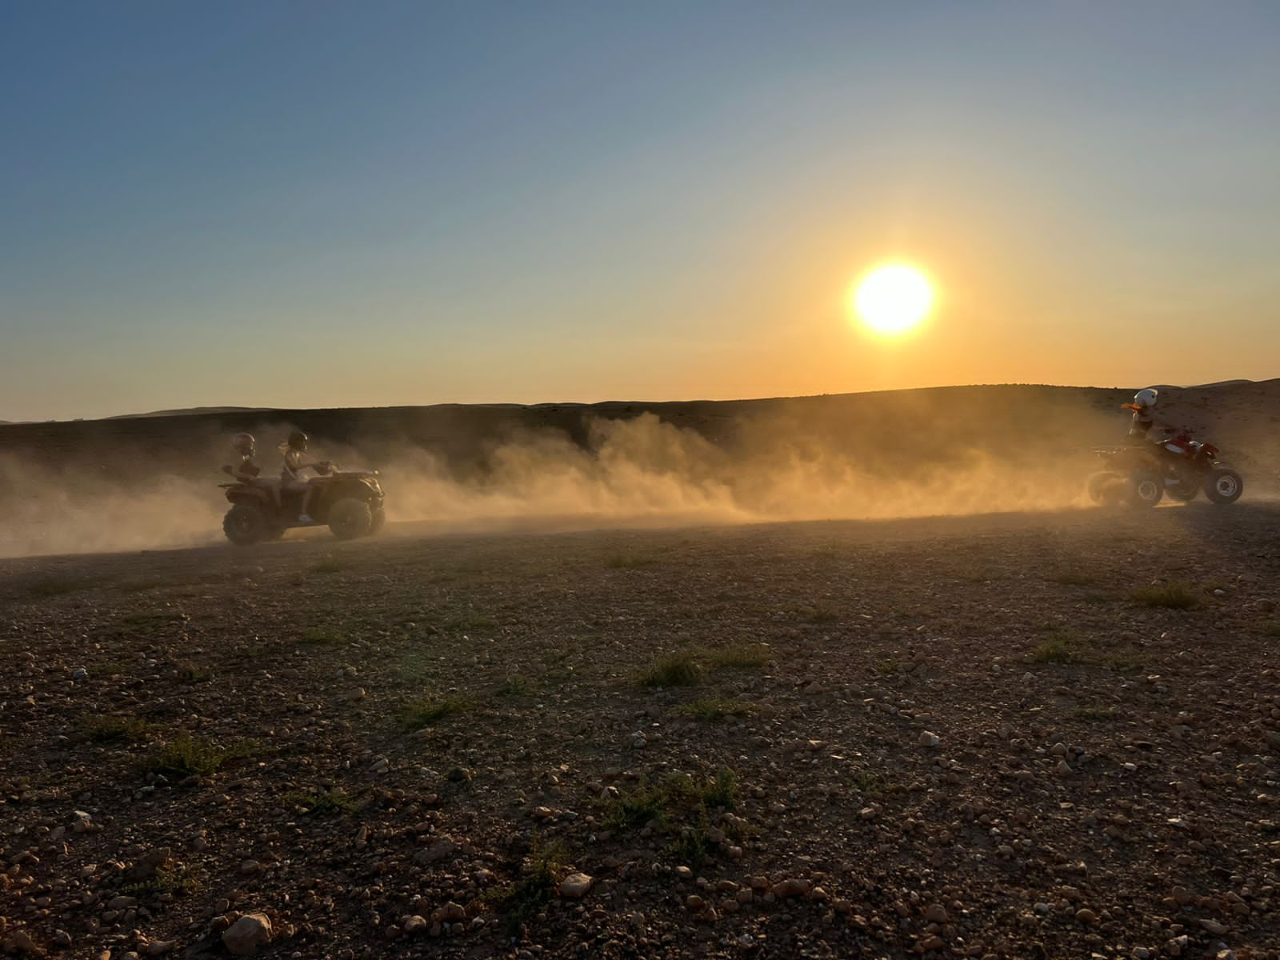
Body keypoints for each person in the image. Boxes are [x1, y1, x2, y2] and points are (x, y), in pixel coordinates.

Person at [280, 430, 319, 523]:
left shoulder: (296, 453)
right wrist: (310, 464)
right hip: (288, 482)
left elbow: (307, 461)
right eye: (302, 441)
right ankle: (303, 514)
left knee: (312, 482)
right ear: (296, 441)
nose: (303, 444)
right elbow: (295, 466)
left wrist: (319, 464)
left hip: (294, 480)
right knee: (309, 488)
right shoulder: (290, 453)